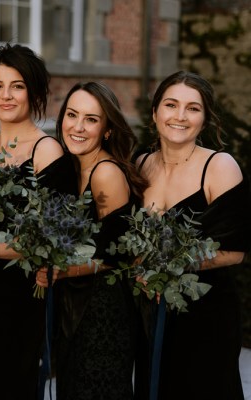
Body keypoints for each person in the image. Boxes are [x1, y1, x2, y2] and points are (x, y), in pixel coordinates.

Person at [0, 43, 78, 400]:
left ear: (34, 91)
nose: (5, 95)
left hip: (22, 295)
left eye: (17, 85)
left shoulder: (47, 151)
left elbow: (58, 238)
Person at [134, 71, 250, 400]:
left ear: (205, 118)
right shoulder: (140, 163)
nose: (180, 116)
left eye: (193, 108)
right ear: (155, 111)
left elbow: (235, 250)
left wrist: (168, 266)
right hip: (151, 313)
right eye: (171, 105)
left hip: (206, 314)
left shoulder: (219, 166)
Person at [38, 81, 149, 399]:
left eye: (91, 119)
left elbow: (117, 254)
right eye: (72, 115)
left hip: (104, 312)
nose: (77, 127)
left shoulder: (106, 173)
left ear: (108, 130)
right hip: (75, 304)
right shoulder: (73, 167)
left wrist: (58, 270)